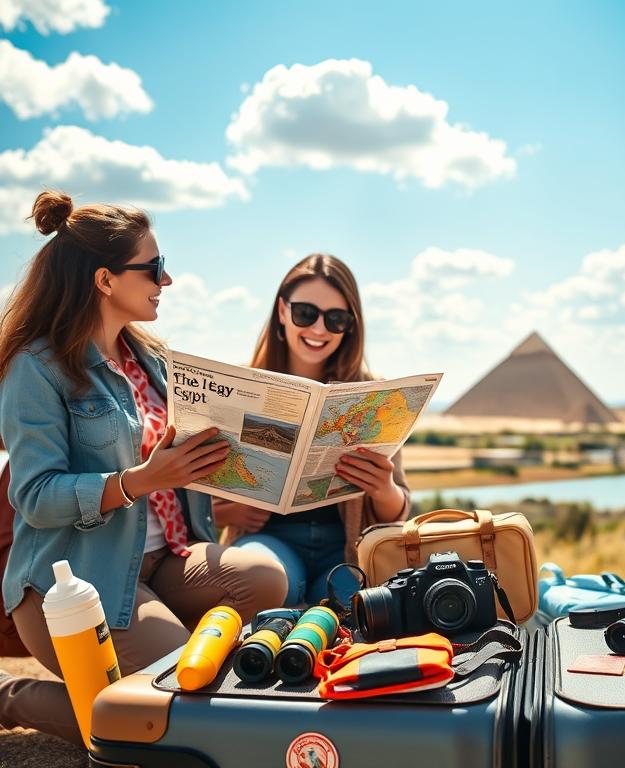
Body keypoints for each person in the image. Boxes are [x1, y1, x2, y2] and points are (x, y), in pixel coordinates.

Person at [0, 191, 288, 744]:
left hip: (164, 561)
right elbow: (35, 496)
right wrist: (139, 480)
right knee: (183, 705)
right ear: (105, 280)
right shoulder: (35, 367)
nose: (168, 280)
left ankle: (138, 686)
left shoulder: (152, 360)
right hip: (80, 581)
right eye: (154, 268)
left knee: (264, 578)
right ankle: (9, 698)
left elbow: (181, 464)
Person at [214, 254, 411, 607]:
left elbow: (397, 514)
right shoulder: (239, 386)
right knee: (262, 584)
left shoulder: (372, 396)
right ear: (282, 311)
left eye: (336, 319)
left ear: (351, 326)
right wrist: (227, 514)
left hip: (346, 548)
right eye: (306, 313)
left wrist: (383, 488)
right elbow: (193, 493)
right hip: (268, 541)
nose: (319, 329)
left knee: (359, 610)